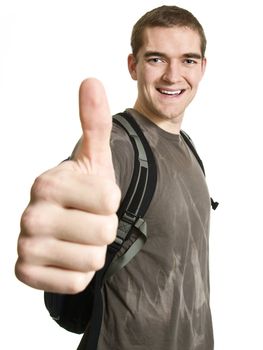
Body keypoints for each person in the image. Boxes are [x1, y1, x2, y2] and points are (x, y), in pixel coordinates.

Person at [15, 5, 215, 350]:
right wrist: (56, 220)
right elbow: (83, 186)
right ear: (133, 66)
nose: (172, 75)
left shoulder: (189, 147)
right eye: (156, 59)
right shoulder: (118, 145)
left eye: (188, 60)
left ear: (202, 68)